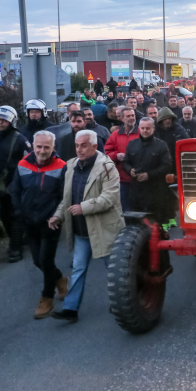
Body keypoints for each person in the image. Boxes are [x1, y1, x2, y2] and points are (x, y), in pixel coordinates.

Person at [49, 131, 124, 323]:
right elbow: (68, 198)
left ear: (94, 146)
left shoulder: (107, 167)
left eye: (83, 145)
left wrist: (83, 207)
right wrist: (58, 215)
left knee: (115, 270)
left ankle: (123, 303)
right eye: (77, 145)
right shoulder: (71, 165)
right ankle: (70, 309)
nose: (79, 149)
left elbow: (109, 198)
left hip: (104, 229)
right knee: (78, 269)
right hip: (81, 231)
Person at [10, 130, 69, 319]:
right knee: (37, 260)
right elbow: (15, 191)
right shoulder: (22, 164)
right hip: (29, 220)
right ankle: (59, 278)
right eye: (39, 147)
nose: (42, 151)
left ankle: (47, 298)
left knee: (45, 260)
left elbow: (64, 196)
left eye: (46, 147)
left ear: (53, 148)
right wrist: (19, 213)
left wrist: (57, 216)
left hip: (50, 221)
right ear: (33, 146)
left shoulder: (62, 166)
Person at [0, 105, 31, 263]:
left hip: (16, 184)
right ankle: (15, 241)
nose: (1, 122)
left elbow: (29, 161)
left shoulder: (20, 139)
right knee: (4, 216)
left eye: (4, 120)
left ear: (11, 121)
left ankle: (15, 248)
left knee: (16, 215)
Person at [123, 118, 173, 222]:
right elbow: (125, 162)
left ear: (153, 129)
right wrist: (129, 170)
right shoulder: (132, 144)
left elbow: (167, 165)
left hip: (155, 192)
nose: (145, 130)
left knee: (156, 223)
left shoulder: (161, 145)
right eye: (143, 128)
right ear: (139, 128)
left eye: (148, 128)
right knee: (136, 223)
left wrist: (149, 175)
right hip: (136, 192)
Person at [103, 106, 139, 211]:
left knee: (140, 209)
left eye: (133, 115)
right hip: (122, 179)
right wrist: (116, 155)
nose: (131, 118)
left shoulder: (141, 133)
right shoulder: (115, 135)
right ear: (122, 118)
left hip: (139, 178)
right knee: (125, 208)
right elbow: (105, 153)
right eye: (128, 116)